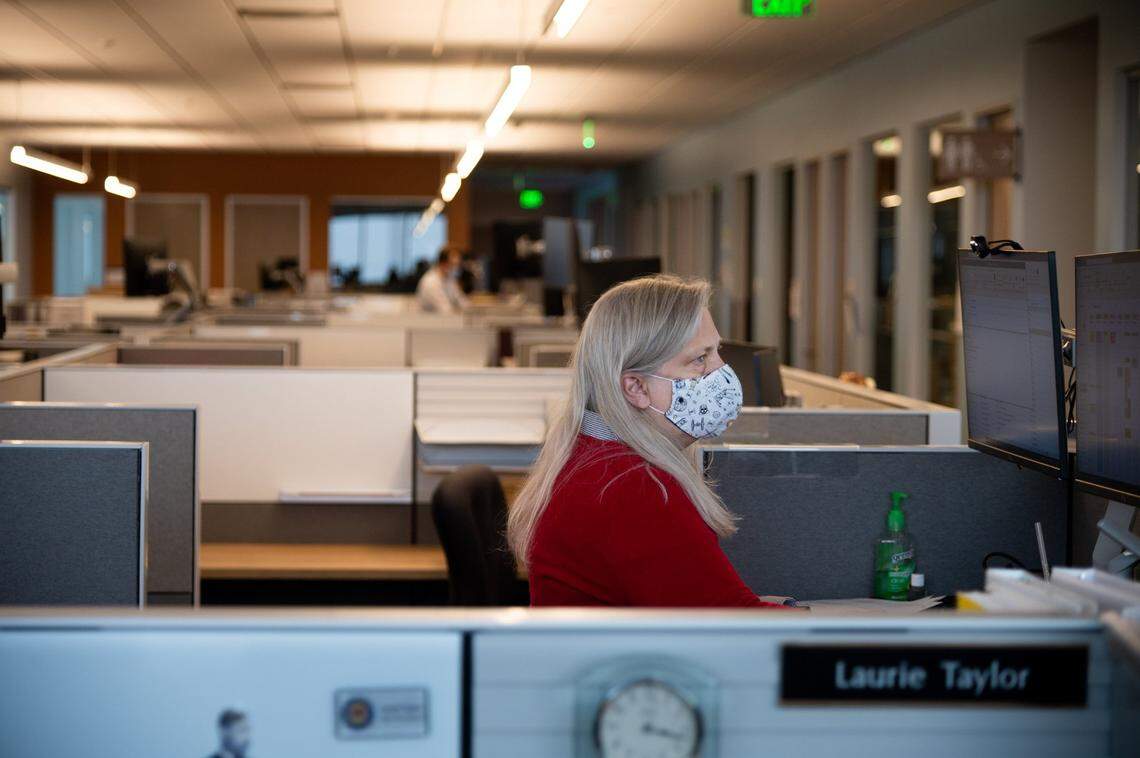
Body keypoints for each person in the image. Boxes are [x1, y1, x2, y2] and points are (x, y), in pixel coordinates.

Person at [508, 274, 788, 608]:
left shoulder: (594, 456)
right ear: (637, 388)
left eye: (717, 352)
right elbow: (733, 627)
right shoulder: (633, 489)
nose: (721, 370)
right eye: (701, 358)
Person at [415, 246, 469, 313]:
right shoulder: (431, 282)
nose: (456, 268)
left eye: (458, 265)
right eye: (453, 264)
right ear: (442, 263)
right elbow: (445, 309)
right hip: (430, 322)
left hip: (443, 320)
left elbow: (463, 303)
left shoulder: (450, 280)